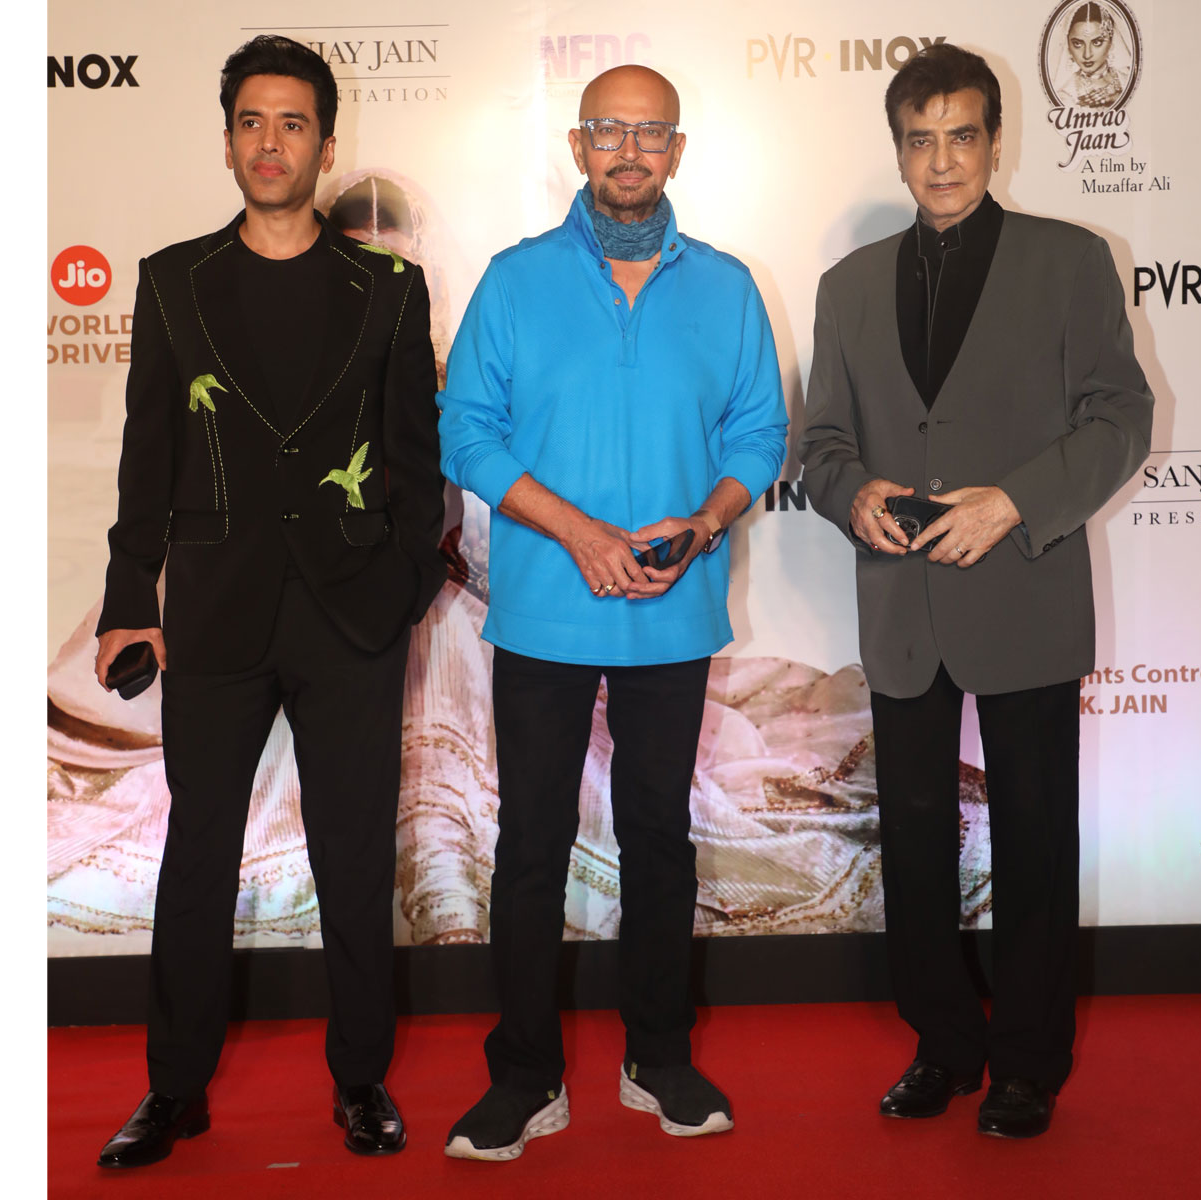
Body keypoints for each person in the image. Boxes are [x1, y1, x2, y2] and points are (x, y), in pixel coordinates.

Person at [90, 34, 444, 1167]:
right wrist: (127, 600)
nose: (271, 142)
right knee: (197, 852)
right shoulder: (170, 281)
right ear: (229, 139)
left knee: (354, 853)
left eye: (293, 123)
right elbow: (146, 458)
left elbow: (415, 459)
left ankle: (360, 1081)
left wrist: (403, 585)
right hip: (216, 611)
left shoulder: (388, 289)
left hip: (352, 615)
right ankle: (174, 1091)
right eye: (252, 121)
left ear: (326, 146)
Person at [798, 43, 1152, 1139]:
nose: (942, 160)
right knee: (911, 837)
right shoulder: (848, 286)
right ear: (898, 150)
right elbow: (820, 445)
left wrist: (1016, 502)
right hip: (902, 609)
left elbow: (1120, 417)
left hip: (1024, 593)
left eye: (961, 136)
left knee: (1035, 835)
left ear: (997, 141)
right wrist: (851, 494)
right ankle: (942, 1046)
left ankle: (1028, 1063)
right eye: (921, 140)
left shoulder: (1070, 260)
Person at [435, 63, 787, 1160]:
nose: (629, 151)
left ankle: (659, 1057)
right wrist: (579, 533)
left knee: (659, 839)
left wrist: (707, 520)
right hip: (544, 609)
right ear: (577, 146)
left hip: (672, 611)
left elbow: (759, 433)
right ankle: (524, 1075)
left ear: (676, 149)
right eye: (607, 130)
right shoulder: (514, 280)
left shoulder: (727, 286)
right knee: (531, 845)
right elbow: (464, 431)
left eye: (649, 132)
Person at [1054, 2, 1130, 109]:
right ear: (1068, 45)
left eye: (1097, 42)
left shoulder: (1127, 79)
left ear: (1111, 42)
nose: (1087, 54)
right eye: (1077, 44)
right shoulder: (1067, 94)